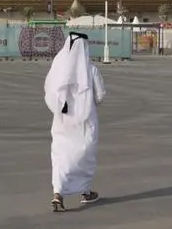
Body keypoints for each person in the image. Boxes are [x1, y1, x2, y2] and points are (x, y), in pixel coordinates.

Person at [44, 31, 107, 211]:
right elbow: (101, 96)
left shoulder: (57, 68)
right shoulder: (91, 70)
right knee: (84, 156)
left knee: (61, 156)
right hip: (86, 121)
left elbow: (49, 91)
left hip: (62, 121)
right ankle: (85, 192)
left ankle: (58, 194)